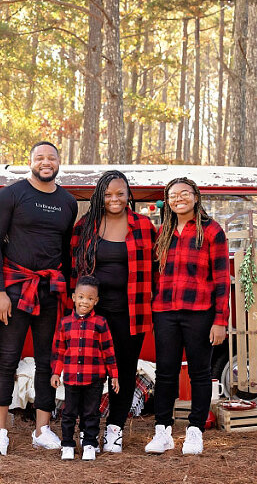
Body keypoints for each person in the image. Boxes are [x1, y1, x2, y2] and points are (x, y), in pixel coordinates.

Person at [0, 141, 78, 455]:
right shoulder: (10, 195)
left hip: (50, 291)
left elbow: (65, 250)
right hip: (14, 289)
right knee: (7, 360)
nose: (46, 162)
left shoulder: (68, 202)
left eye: (51, 157)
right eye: (40, 157)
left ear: (59, 162)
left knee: (47, 362)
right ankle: (0, 432)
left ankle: (42, 429)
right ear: (31, 161)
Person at [70, 170, 156, 453]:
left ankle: (116, 429)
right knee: (92, 372)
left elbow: (157, 268)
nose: (114, 199)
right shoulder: (86, 226)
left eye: (120, 193)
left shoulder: (143, 226)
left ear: (128, 195)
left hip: (132, 311)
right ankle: (89, 430)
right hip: (93, 314)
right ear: (100, 197)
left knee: (124, 369)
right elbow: (74, 270)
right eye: (108, 194)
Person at [145, 177, 230, 455]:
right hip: (165, 311)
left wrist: (220, 320)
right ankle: (163, 432)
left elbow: (221, 279)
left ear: (196, 196)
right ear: (167, 201)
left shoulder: (212, 231)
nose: (178, 198)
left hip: (199, 313)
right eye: (172, 195)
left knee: (200, 374)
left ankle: (195, 432)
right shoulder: (164, 231)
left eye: (184, 193)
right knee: (166, 372)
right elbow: (156, 274)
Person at [51, 275, 119, 461]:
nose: (85, 302)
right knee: (69, 413)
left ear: (96, 301)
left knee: (91, 413)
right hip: (72, 377)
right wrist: (56, 372)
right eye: (81, 297)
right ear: (73, 297)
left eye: (90, 299)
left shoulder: (100, 323)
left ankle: (89, 444)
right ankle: (67, 444)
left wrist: (114, 375)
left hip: (95, 378)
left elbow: (108, 350)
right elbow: (59, 350)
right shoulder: (65, 323)